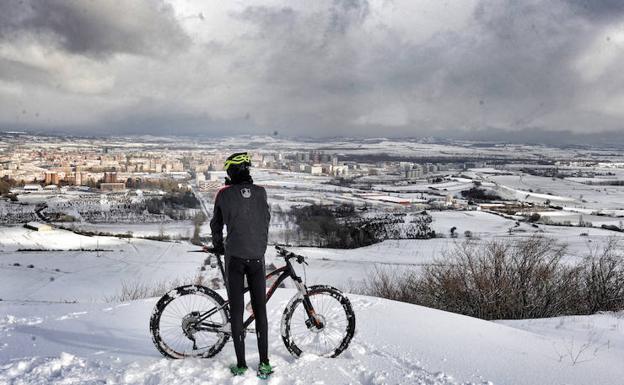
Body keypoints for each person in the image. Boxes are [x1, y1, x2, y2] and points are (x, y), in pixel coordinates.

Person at [209, 152, 273, 379]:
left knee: (237, 311)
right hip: (257, 257)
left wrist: (218, 246)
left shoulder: (224, 194)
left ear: (232, 172)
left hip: (234, 257)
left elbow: (216, 225)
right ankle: (264, 363)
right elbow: (266, 220)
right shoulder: (261, 192)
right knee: (260, 310)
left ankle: (242, 364)